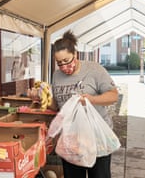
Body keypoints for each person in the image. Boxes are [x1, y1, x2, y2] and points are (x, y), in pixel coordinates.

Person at [51, 30, 119, 178]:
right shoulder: (56, 75)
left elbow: (113, 96)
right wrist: (40, 97)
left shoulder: (94, 70)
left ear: (75, 54)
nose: (64, 66)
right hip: (71, 141)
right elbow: (56, 105)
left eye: (67, 61)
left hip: (96, 139)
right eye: (59, 63)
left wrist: (91, 99)